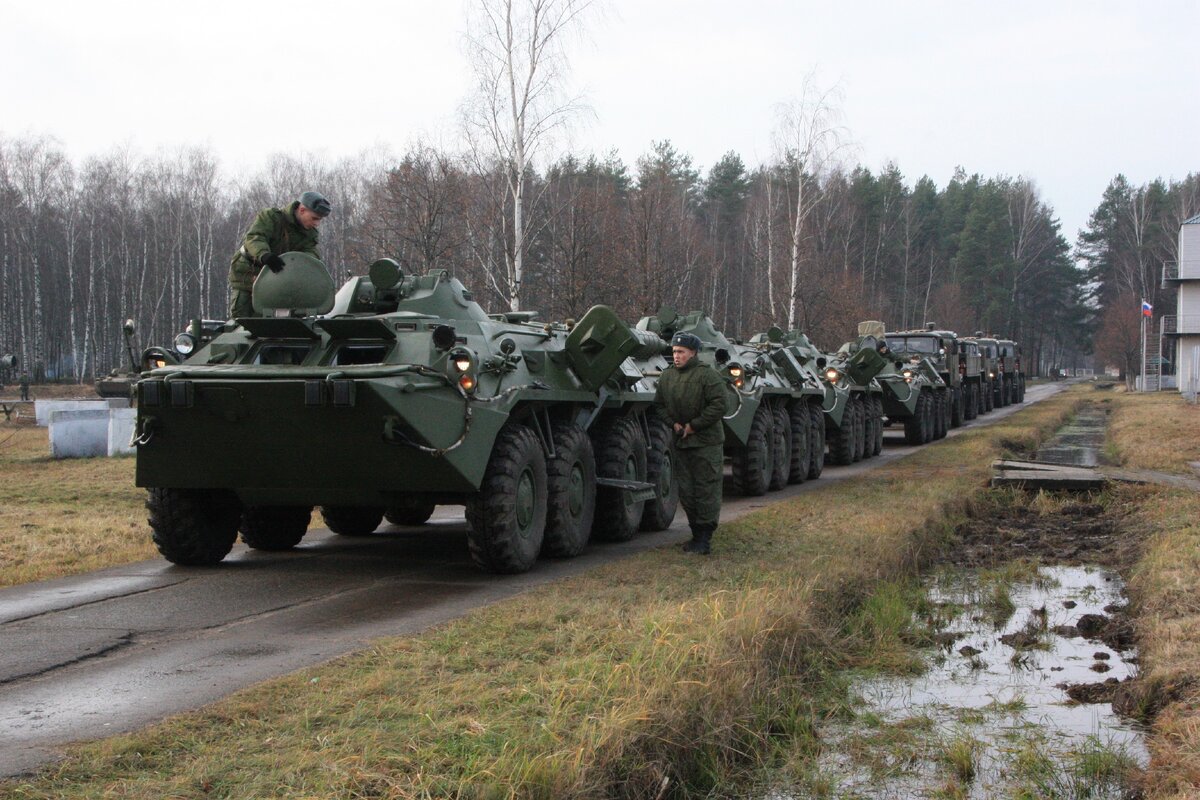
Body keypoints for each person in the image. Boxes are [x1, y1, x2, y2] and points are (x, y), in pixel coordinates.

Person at [654, 331, 729, 555]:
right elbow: (658, 405)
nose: (676, 356)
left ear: (693, 353)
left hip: (706, 442)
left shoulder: (707, 375)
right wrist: (674, 424)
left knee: (706, 490)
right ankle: (696, 535)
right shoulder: (667, 377)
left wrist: (694, 425)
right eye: (674, 352)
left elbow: (719, 404)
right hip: (682, 443)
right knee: (686, 491)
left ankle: (704, 540)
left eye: (681, 352)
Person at [227, 191, 332, 318]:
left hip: (279, 280)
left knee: (280, 322)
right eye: (314, 218)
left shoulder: (309, 234)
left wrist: (304, 266)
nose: (316, 223)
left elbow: (310, 254)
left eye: (319, 220)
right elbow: (255, 237)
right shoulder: (271, 217)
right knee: (242, 319)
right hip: (249, 273)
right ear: (302, 210)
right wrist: (264, 254)